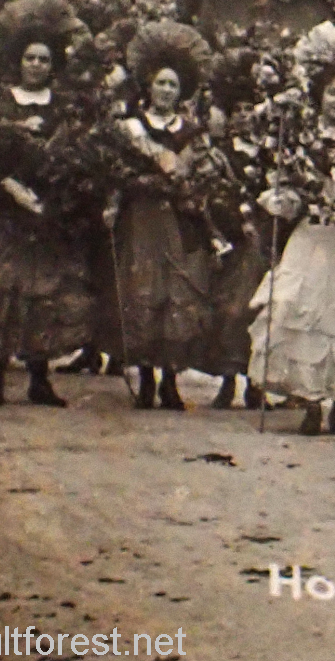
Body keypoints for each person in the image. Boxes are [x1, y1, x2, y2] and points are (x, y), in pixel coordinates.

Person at [0, 0, 94, 407]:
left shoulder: (62, 107)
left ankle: (39, 379)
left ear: (53, 65)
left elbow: (75, 155)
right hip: (8, 212)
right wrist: (10, 186)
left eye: (44, 60)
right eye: (30, 58)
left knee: (43, 295)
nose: (36, 66)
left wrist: (60, 190)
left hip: (48, 214)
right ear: (18, 59)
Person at [247, 23, 335, 437]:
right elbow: (287, 181)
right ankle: (310, 401)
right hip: (313, 234)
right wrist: (283, 198)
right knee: (308, 317)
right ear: (320, 95)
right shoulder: (303, 135)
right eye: (332, 93)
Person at [110, 22, 218, 411]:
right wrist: (147, 182)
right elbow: (118, 172)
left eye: (173, 85)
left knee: (177, 293)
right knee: (143, 293)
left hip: (178, 222)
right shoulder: (129, 128)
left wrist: (186, 186)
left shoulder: (191, 131)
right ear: (148, 86)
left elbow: (202, 172)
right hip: (141, 220)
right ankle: (146, 379)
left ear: (182, 90)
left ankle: (171, 379)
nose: (166, 91)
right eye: (160, 83)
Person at [200, 50, 274, 410]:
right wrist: (233, 220)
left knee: (259, 309)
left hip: (264, 237)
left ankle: (255, 381)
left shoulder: (267, 153)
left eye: (250, 110)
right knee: (231, 308)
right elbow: (213, 194)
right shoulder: (221, 154)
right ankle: (228, 378)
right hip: (234, 238)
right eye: (238, 111)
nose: (245, 117)